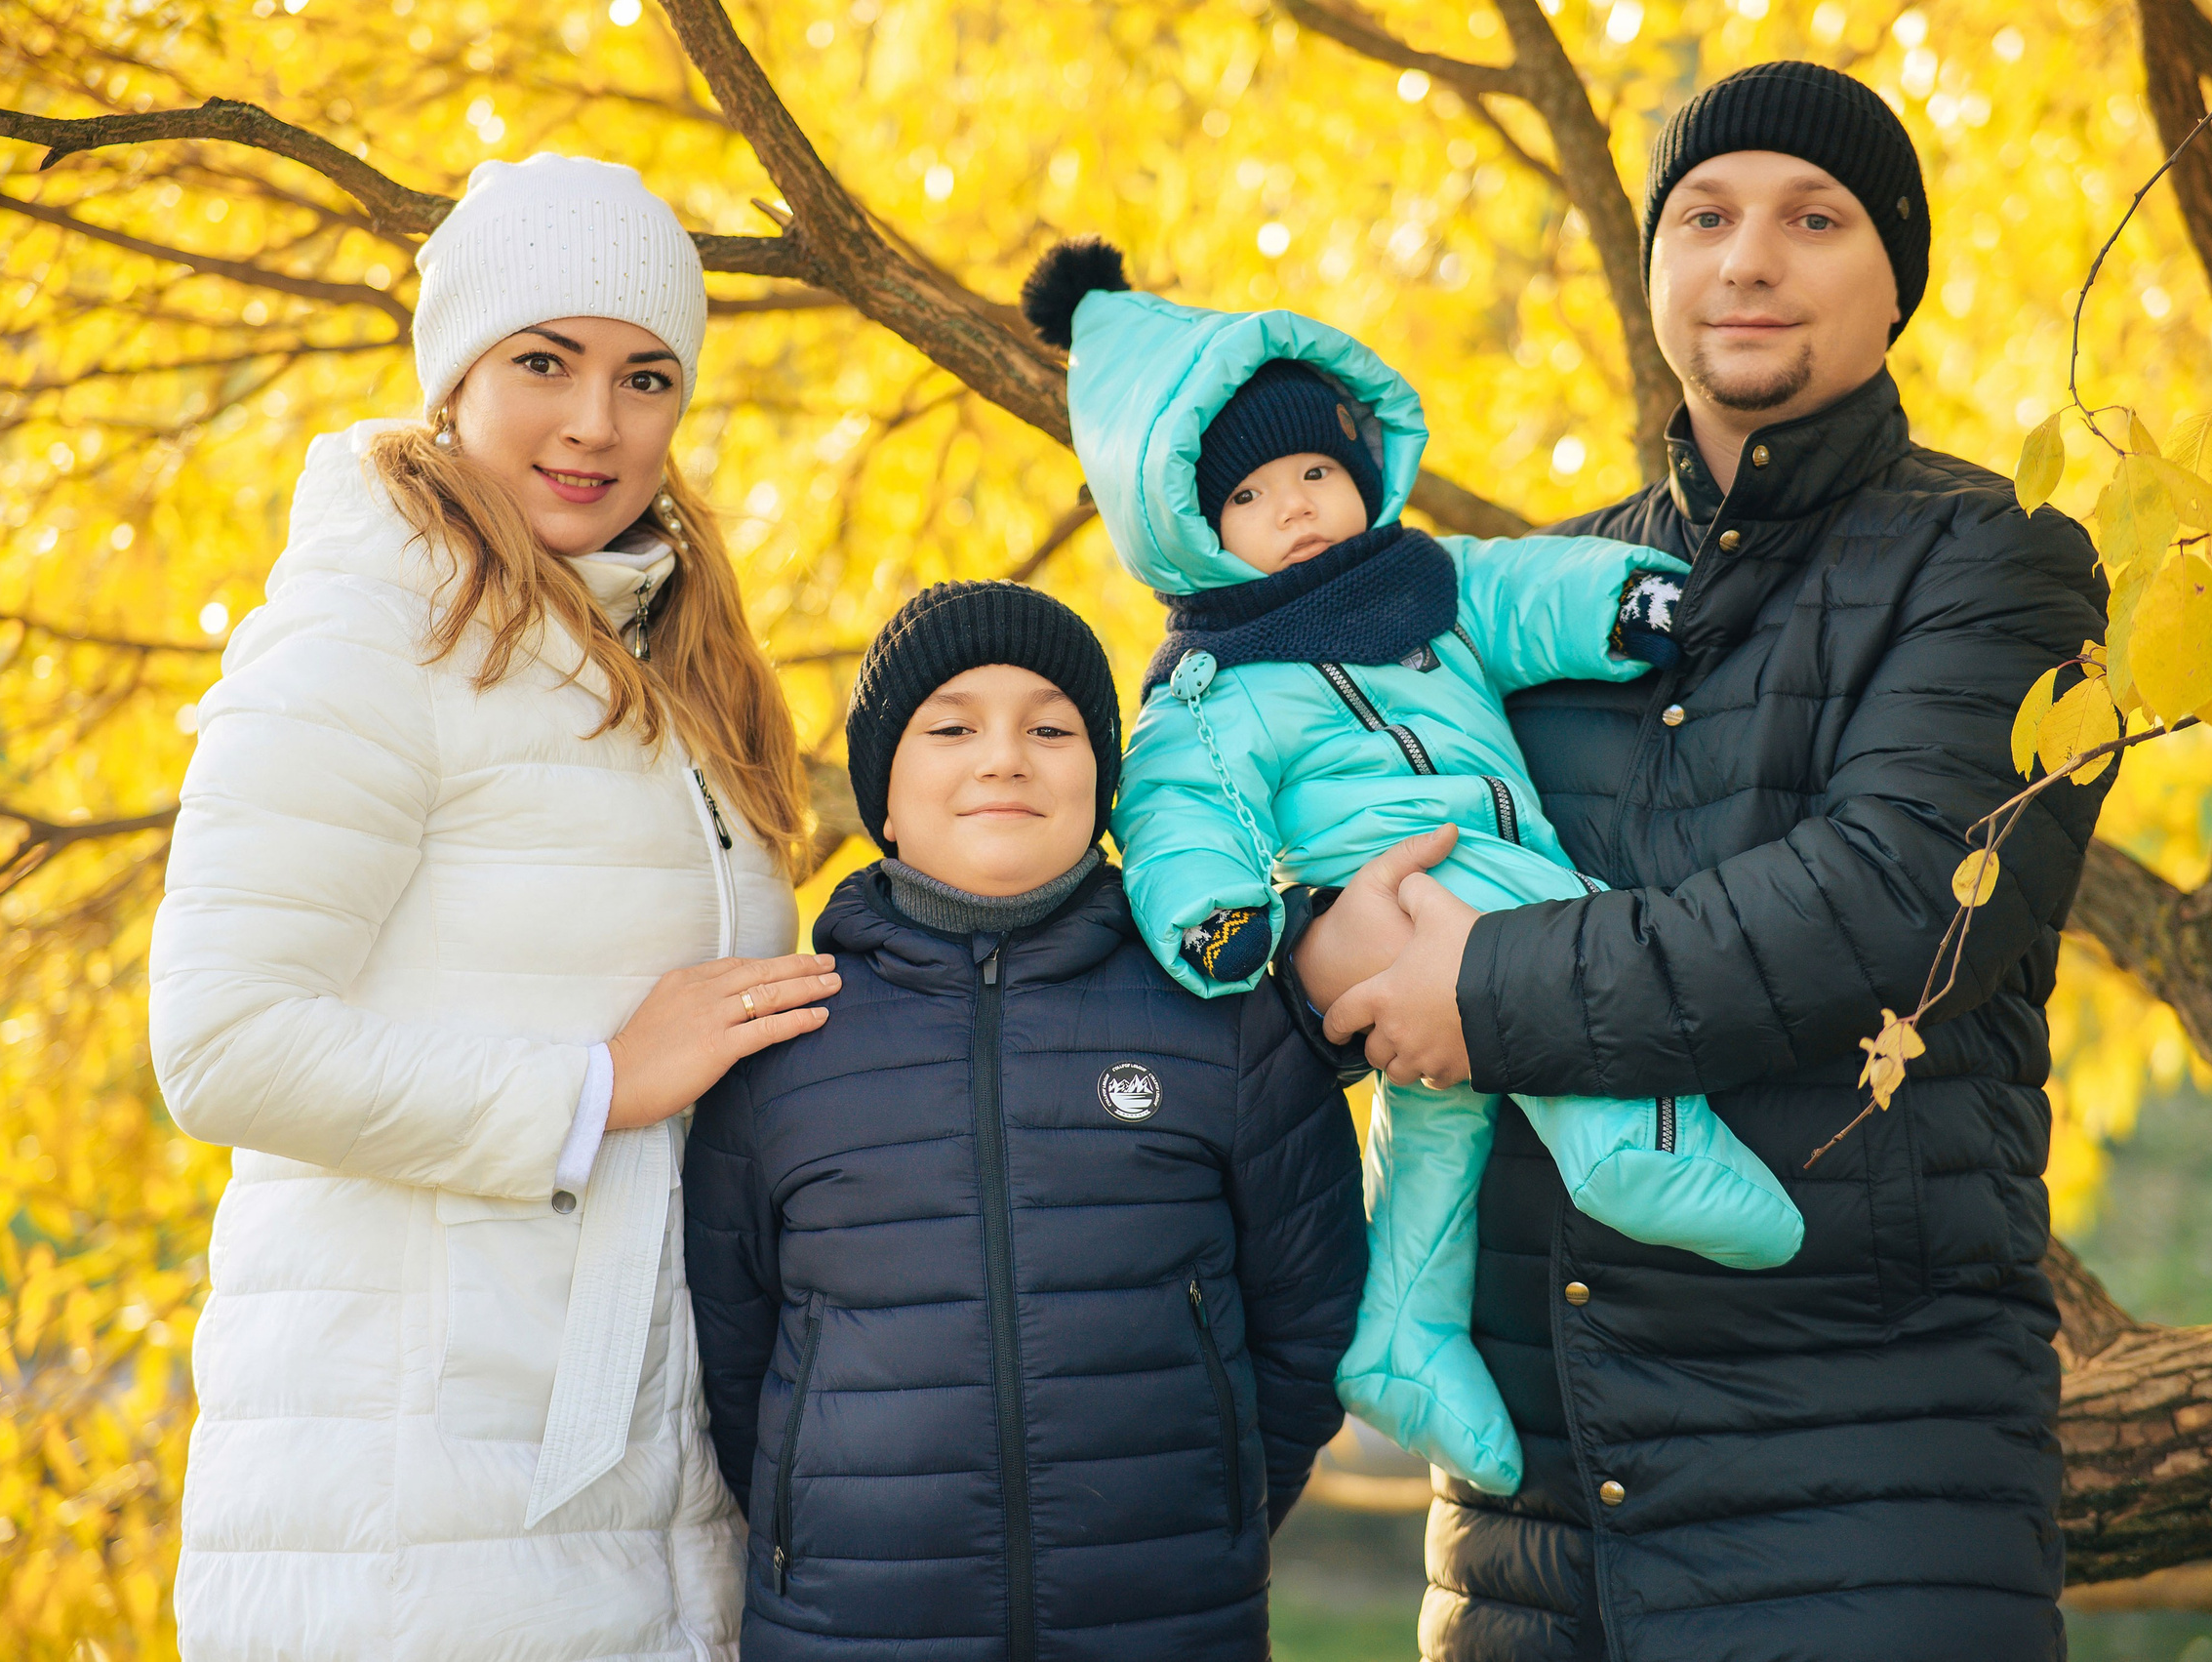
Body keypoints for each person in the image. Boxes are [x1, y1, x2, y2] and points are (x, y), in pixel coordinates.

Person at [1295, 62, 2114, 1659]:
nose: (1749, 259)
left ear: (1898, 284)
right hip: (1539, 1511)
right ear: (1658, 267)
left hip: (1860, 1467)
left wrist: (1480, 979)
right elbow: (1370, 838)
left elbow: (1881, 902)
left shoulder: (2004, 562)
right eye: (1707, 216)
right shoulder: (1543, 595)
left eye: (1814, 221)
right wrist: (1321, 949)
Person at [149, 154, 837, 1661]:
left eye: (644, 375)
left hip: (638, 1500)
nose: (596, 421)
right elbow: (221, 1040)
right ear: (456, 373)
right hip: (408, 1519)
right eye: (545, 361)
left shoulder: (662, 659)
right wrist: (594, 1083)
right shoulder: (361, 635)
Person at [1014, 240, 1802, 1502]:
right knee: (1568, 942)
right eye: (1254, 495)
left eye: (1317, 470)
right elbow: (1182, 806)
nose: (1299, 506)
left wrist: (1629, 606)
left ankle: (1401, 1331)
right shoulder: (1218, 683)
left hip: (1480, 879)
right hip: (1418, 893)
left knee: (1441, 1119)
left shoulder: (1424, 586)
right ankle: (1629, 1138)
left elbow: (1527, 590)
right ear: (1195, 527)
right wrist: (1214, 911)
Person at [682, 581, 1366, 1661]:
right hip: (848, 1622)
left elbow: (1307, 1316)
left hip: (1164, 1615)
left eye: (1050, 727)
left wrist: (1219, 1509)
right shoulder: (783, 1037)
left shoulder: (1225, 1021)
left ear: (1100, 782)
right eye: (951, 725)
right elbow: (731, 1353)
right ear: (884, 795)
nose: (1004, 756)